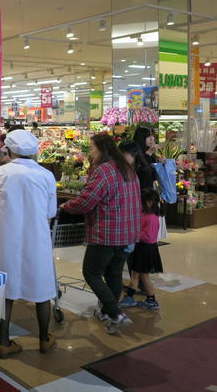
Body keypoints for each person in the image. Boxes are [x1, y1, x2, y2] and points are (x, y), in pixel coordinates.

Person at [61, 133, 141, 334]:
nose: (90, 152)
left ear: (102, 149)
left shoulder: (104, 171)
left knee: (92, 272)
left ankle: (115, 312)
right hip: (128, 232)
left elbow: (87, 201)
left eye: (92, 148)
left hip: (107, 233)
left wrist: (65, 206)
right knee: (113, 273)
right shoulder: (127, 168)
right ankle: (108, 313)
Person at [0, 130, 57, 358]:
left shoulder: (1, 174)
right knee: (42, 291)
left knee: (6, 290)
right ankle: (44, 339)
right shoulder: (46, 175)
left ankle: (4, 342)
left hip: (6, 237)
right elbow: (50, 212)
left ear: (9, 150)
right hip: (37, 239)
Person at [120, 188, 164, 310]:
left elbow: (148, 237)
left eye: (142, 202)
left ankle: (150, 300)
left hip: (146, 249)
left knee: (143, 276)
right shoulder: (145, 213)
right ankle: (132, 298)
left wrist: (134, 233)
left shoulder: (151, 218)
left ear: (150, 203)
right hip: (142, 249)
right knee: (135, 274)